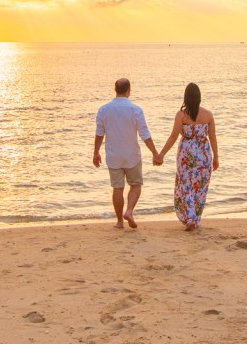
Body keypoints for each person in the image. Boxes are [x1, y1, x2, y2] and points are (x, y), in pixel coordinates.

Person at [93, 77, 158, 230]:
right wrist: (155, 153)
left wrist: (96, 152)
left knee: (117, 188)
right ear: (129, 90)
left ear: (115, 90)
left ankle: (119, 222)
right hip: (132, 156)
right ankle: (129, 211)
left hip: (113, 156)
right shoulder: (135, 109)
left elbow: (99, 134)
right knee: (136, 185)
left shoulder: (103, 110)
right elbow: (144, 134)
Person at [154, 82, 218, 231]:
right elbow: (213, 138)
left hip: (186, 155)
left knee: (186, 186)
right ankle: (195, 218)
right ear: (199, 98)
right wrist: (216, 157)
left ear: (186, 98)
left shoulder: (181, 115)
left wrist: (161, 154)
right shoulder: (208, 115)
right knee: (200, 187)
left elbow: (173, 136)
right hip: (204, 155)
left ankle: (190, 217)